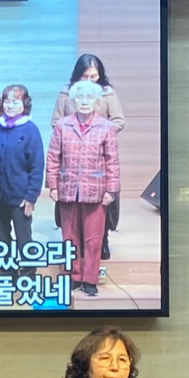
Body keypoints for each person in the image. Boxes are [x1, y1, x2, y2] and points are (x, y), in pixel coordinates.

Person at [52, 54, 127, 276]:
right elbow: (55, 121)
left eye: (94, 76)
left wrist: (99, 132)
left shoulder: (107, 93)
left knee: (99, 210)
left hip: (98, 156)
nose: (89, 80)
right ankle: (73, 268)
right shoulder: (66, 93)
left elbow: (118, 120)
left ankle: (102, 243)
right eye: (85, 76)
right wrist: (70, 132)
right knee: (70, 216)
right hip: (70, 156)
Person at [47, 80, 120, 297]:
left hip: (96, 190)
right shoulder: (62, 125)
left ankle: (89, 279)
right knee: (69, 237)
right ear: (73, 101)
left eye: (89, 98)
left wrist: (111, 190)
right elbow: (53, 157)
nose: (84, 102)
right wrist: (52, 185)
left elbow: (112, 161)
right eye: (80, 97)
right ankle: (72, 276)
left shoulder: (106, 127)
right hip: (67, 188)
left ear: (97, 103)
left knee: (93, 238)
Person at [0, 84, 43, 248]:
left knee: (24, 239)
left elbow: (37, 167)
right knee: (2, 239)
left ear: (25, 105)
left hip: (20, 196)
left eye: (15, 102)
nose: (10, 106)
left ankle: (27, 264)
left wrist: (31, 196)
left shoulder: (30, 130)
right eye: (7, 101)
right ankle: (6, 263)